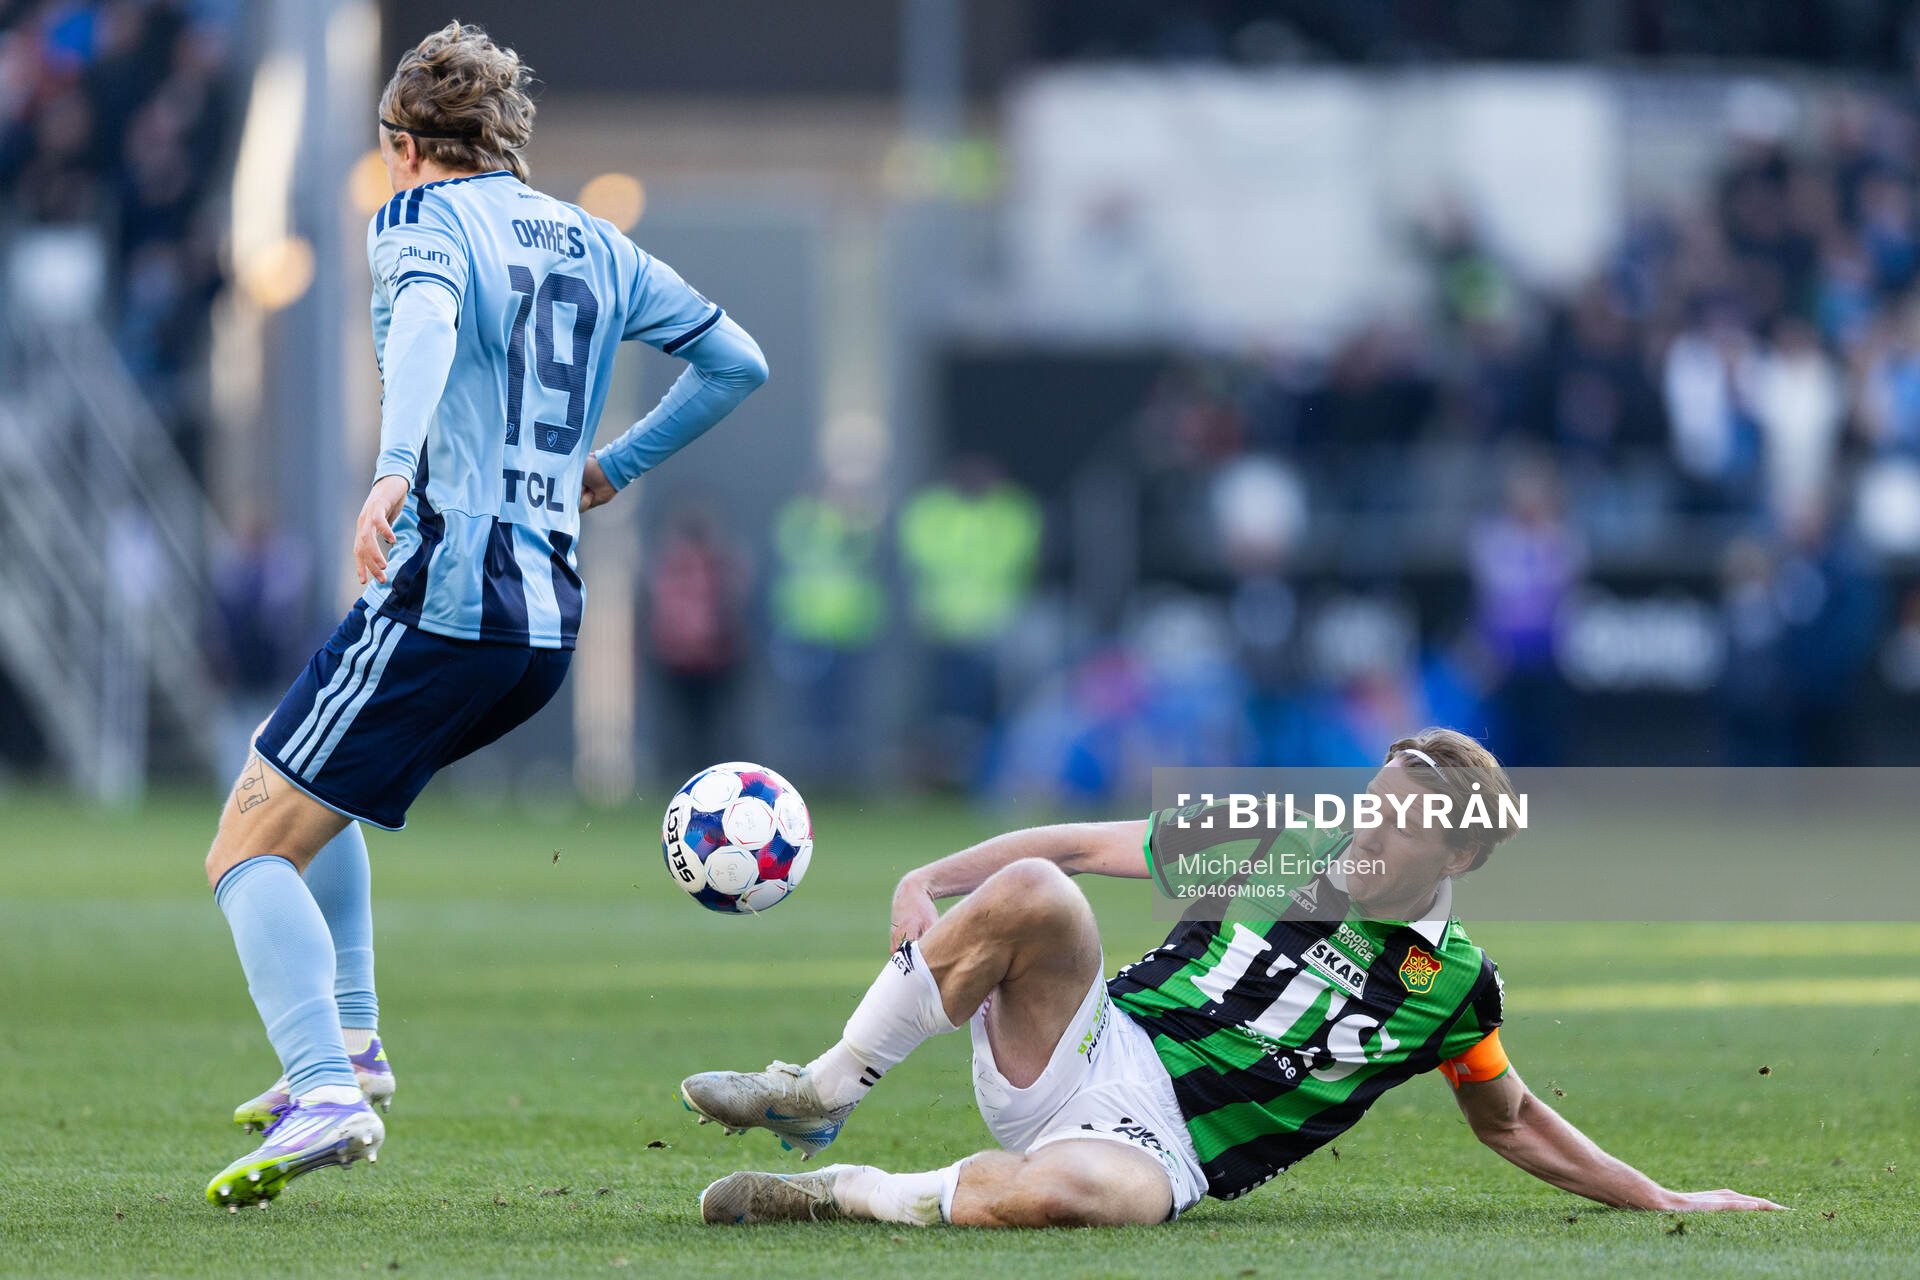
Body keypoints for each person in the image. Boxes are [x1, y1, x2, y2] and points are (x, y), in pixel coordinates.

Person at [202, 22, 767, 1208]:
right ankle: (350, 1040)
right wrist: (613, 464)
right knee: (307, 779)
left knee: (244, 847)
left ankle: (324, 1087)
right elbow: (737, 362)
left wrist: (391, 467)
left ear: (405, 144)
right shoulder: (597, 241)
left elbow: (424, 328)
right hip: (543, 627)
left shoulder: (419, 220)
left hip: (446, 595)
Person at [681, 728, 1783, 1226]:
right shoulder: (1278, 840)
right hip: (1085, 1038)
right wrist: (930, 872)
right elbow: (1071, 849)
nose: (1364, 830)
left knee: (1092, 1200)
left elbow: (1513, 1119)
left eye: (1397, 824)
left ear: (1458, 857)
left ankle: (841, 1195)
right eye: (1368, 799)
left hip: (1162, 1147)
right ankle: (821, 1091)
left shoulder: (1454, 987)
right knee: (1036, 889)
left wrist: (1662, 1196)